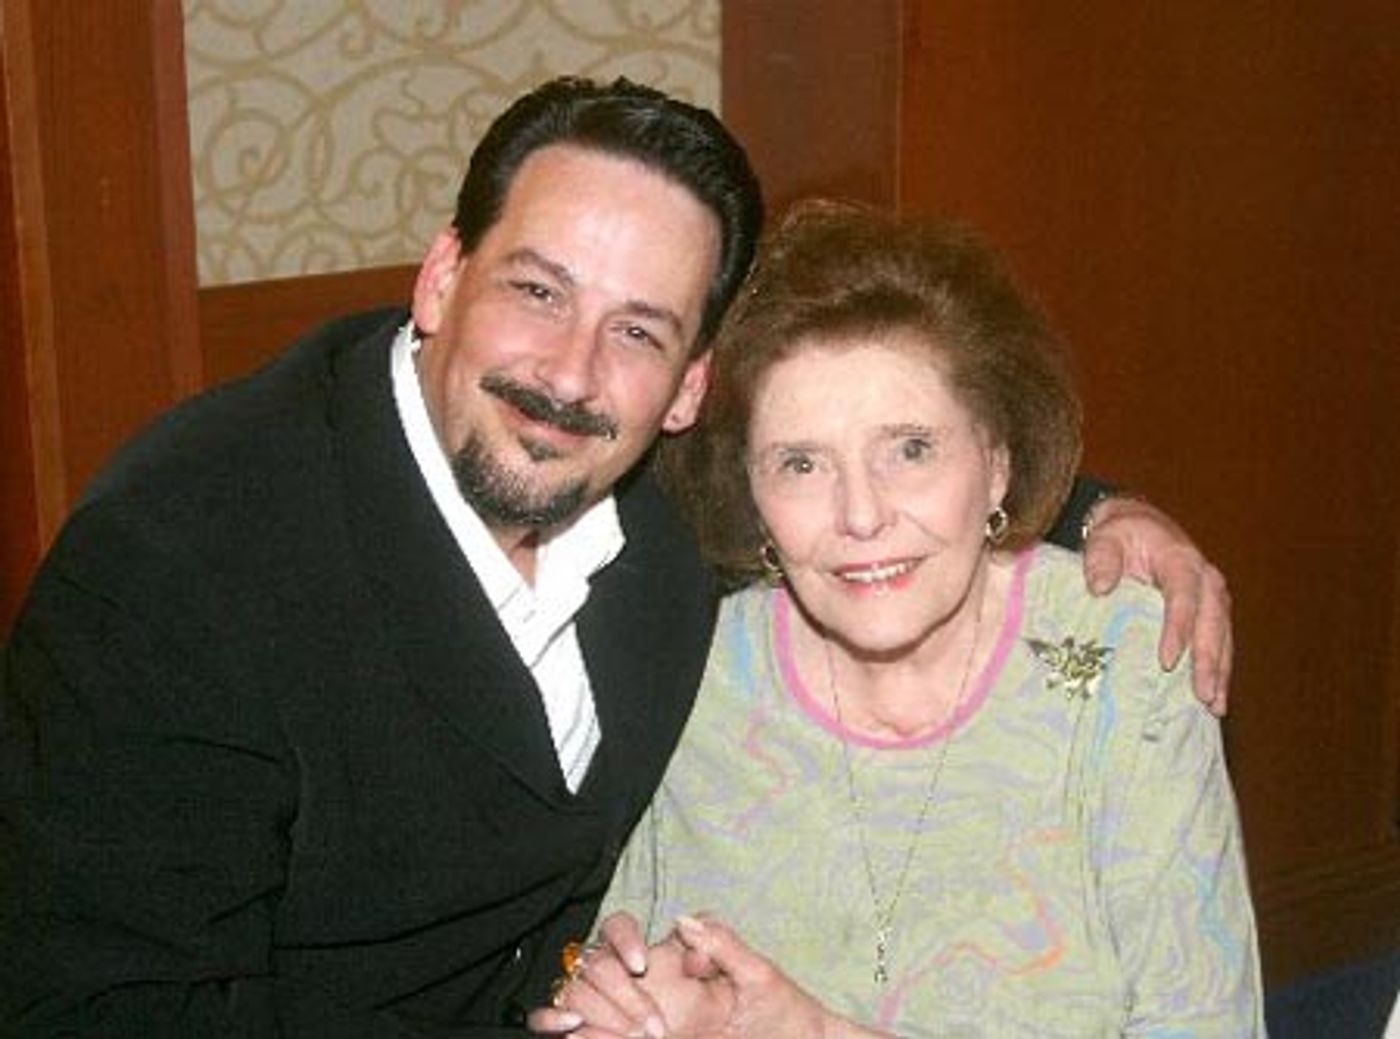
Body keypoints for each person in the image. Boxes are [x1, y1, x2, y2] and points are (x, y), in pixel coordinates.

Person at [0, 77, 1226, 1037]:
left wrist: (1098, 513)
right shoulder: (174, 573)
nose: (570, 374)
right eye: (537, 292)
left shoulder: (656, 493)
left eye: (637, 330)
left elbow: (870, 468)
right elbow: (95, 1014)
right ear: (440, 276)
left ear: (688, 388)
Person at [537, 203, 1263, 1037]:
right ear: (751, 492)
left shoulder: (1126, 657)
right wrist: (621, 1005)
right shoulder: (691, 662)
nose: (861, 515)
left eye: (911, 449)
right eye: (801, 463)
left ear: (996, 462)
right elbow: (598, 961)